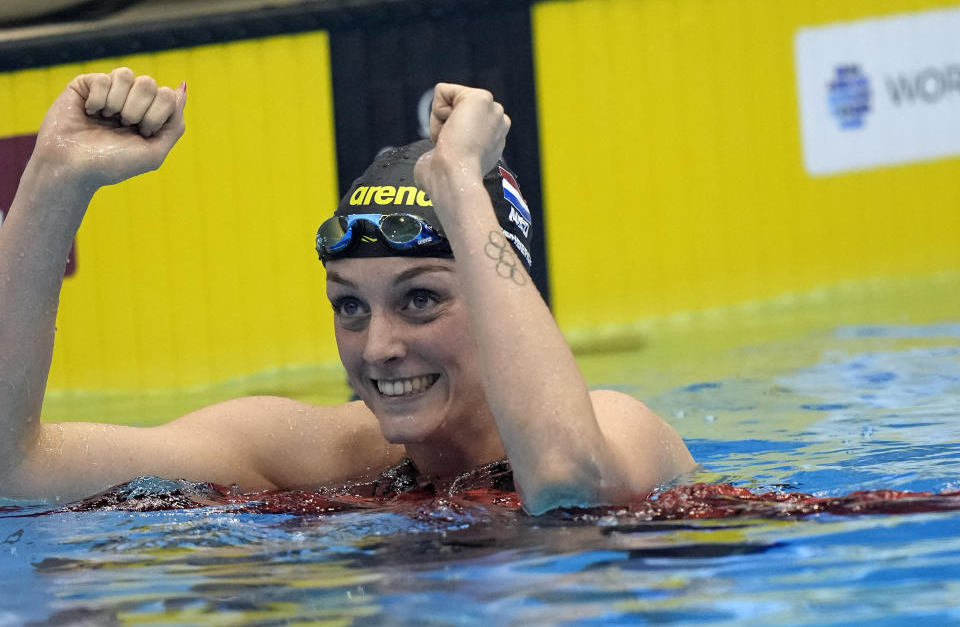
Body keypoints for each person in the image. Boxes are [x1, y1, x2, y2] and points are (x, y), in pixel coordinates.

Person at [0, 67, 694, 514]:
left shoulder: (623, 426)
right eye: (350, 306)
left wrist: (457, 182)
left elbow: (566, 489)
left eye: (420, 298)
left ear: (499, 289)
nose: (378, 346)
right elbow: (14, 466)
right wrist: (55, 179)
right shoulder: (321, 454)